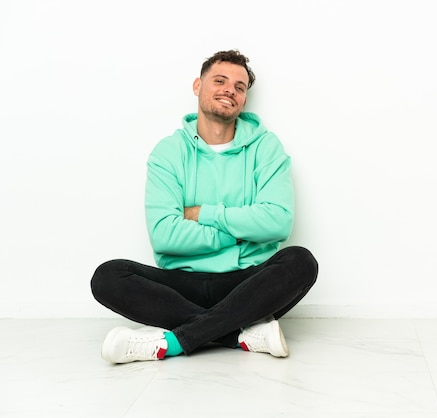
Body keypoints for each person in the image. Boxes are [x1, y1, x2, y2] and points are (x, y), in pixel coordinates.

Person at [90, 50, 318, 364]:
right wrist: (242, 234)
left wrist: (204, 214)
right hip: (182, 285)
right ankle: (238, 334)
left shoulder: (267, 148)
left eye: (239, 87)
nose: (230, 90)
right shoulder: (168, 152)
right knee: (108, 276)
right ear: (198, 86)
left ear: (244, 100)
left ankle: (171, 342)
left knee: (301, 262)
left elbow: (277, 222)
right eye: (220, 81)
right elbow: (164, 236)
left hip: (247, 282)